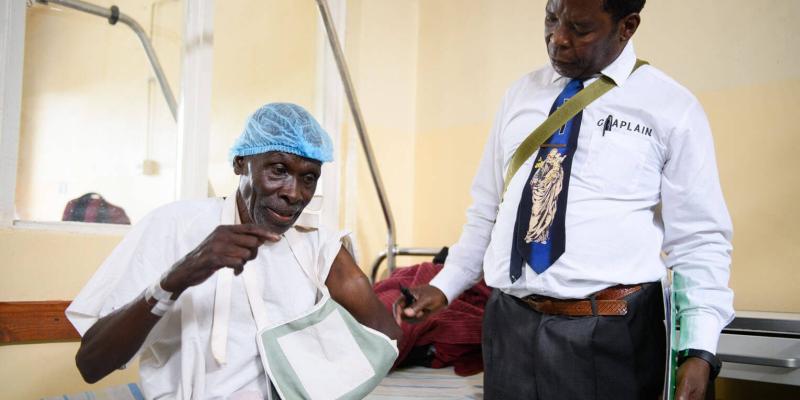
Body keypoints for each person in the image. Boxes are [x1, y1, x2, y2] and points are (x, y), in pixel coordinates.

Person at [397, 1, 733, 399]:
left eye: (580, 28)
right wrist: (446, 284)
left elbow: (699, 240)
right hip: (510, 328)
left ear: (627, 27)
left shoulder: (671, 108)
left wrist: (699, 350)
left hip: (610, 333)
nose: (558, 38)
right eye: (551, 19)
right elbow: (488, 209)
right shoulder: (520, 95)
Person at [67, 103, 401, 399]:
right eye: (278, 170)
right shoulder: (173, 227)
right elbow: (91, 363)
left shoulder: (316, 245)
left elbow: (386, 338)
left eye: (309, 178)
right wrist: (175, 279)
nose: (294, 193)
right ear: (241, 163)